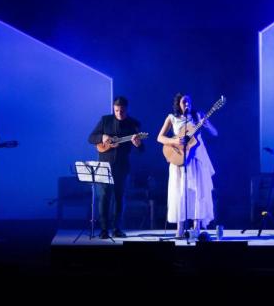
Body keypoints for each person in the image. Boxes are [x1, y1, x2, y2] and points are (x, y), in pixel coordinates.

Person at [157, 93, 217, 239]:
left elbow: (215, 133)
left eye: (189, 101)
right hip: (179, 159)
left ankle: (196, 227)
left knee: (198, 191)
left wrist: (207, 125)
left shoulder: (197, 116)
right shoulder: (171, 118)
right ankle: (180, 228)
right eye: (184, 102)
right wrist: (175, 142)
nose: (187, 104)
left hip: (197, 159)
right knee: (180, 191)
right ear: (178, 103)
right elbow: (160, 137)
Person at [87, 96, 144, 239]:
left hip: (122, 166)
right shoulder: (105, 120)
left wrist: (138, 144)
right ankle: (104, 230)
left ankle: (117, 228)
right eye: (117, 110)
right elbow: (91, 138)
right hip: (104, 165)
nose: (119, 113)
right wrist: (103, 137)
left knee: (119, 197)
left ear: (127, 109)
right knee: (104, 197)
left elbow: (141, 149)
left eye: (122, 111)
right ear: (113, 108)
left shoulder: (133, 124)